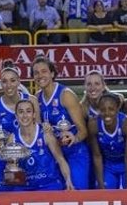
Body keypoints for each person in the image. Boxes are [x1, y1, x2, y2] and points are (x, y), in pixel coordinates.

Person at [33, 56, 90, 189]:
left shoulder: (65, 95)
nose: (40, 75)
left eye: (44, 71)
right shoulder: (36, 98)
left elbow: (84, 131)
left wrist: (74, 138)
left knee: (77, 190)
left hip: (75, 151)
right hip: (53, 153)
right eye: (36, 73)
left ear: (52, 73)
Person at [10, 100, 74, 191]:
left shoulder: (45, 133)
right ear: (16, 116)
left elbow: (60, 159)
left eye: (28, 111)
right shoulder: (13, 138)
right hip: (26, 187)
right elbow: (11, 167)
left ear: (34, 115)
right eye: (21, 112)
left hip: (49, 185)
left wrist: (68, 180)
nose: (24, 115)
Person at [89, 93, 127, 189]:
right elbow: (97, 156)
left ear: (117, 109)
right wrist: (101, 186)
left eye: (111, 109)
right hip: (110, 163)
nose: (107, 113)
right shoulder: (93, 124)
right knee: (105, 192)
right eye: (103, 110)